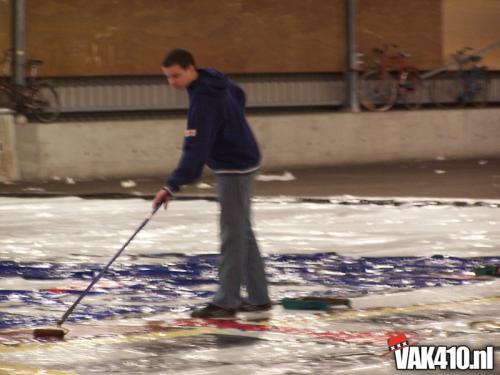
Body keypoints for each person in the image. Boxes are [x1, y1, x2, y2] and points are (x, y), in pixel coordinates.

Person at [152, 49, 271, 319]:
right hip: (242, 158)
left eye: (176, 75)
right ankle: (259, 296)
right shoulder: (213, 78)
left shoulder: (204, 98)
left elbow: (195, 149)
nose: (172, 82)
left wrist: (171, 185)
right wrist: (230, 126)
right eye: (167, 77)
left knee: (232, 234)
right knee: (242, 231)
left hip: (234, 167)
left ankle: (227, 302)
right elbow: (240, 95)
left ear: (190, 69)